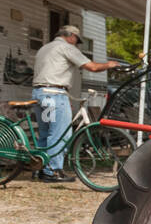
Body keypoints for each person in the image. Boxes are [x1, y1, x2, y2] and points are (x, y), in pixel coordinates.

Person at [30, 25, 122, 182]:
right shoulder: (66, 47)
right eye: (76, 40)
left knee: (45, 133)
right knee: (60, 134)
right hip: (55, 95)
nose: (76, 43)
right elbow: (91, 67)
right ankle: (53, 171)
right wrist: (110, 65)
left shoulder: (45, 48)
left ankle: (39, 168)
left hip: (40, 94)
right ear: (71, 36)